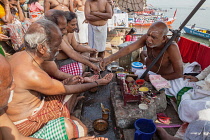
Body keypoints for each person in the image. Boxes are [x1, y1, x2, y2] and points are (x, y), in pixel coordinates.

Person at [7, 19, 113, 138]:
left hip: (28, 111)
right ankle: (67, 115)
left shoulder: (20, 55)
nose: (58, 50)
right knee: (81, 129)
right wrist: (98, 82)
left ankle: (68, 112)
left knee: (74, 84)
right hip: (27, 123)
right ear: (42, 48)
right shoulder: (32, 73)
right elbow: (65, 90)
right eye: (56, 46)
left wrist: (71, 82)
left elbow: (57, 85)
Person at [100, 21, 183, 94]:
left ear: (164, 38)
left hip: (165, 78)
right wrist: (109, 59)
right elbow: (129, 48)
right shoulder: (147, 38)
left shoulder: (171, 47)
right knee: (134, 77)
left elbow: (179, 73)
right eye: (148, 35)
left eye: (153, 37)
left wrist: (155, 78)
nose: (149, 40)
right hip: (149, 74)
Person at [45, 9, 100, 76]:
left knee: (87, 51)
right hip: (60, 64)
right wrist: (90, 62)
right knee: (81, 65)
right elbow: (71, 53)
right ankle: (81, 74)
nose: (75, 27)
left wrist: (90, 52)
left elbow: (75, 46)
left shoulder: (63, 34)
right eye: (62, 29)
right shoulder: (56, 37)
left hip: (62, 64)